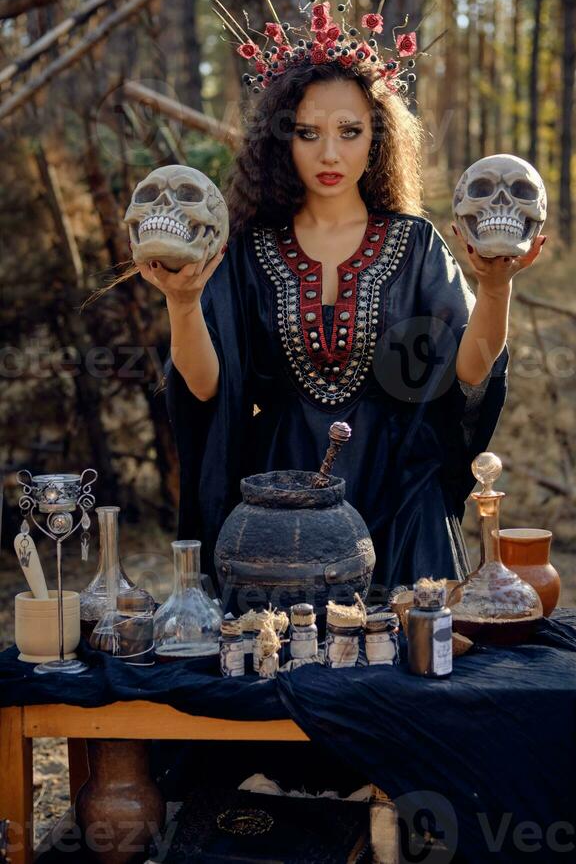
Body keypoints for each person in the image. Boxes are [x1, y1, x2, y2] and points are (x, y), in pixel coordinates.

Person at [137, 59, 545, 598]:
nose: (329, 154)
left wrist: (495, 289)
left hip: (400, 487)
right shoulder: (247, 248)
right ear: (281, 142)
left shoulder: (416, 243)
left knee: (412, 658)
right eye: (308, 133)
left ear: (376, 138)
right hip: (282, 496)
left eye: (349, 132)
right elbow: (208, 385)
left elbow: (469, 370)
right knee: (283, 652)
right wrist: (183, 302)